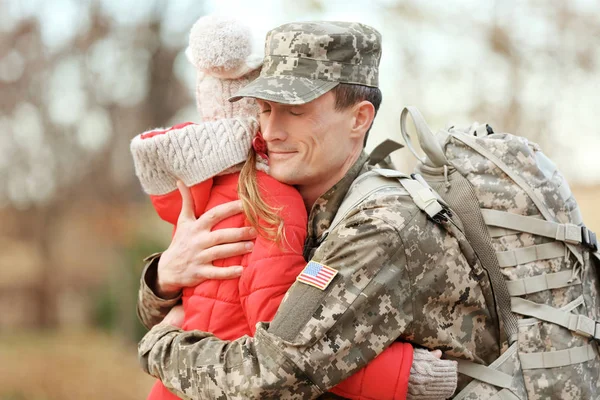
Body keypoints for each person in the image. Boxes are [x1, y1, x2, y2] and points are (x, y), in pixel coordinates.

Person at [137, 21, 497, 399]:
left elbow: (272, 377)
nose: (271, 131)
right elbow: (212, 308)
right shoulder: (286, 202)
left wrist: (160, 345)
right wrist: (164, 278)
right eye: (264, 108)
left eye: (295, 111)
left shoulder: (379, 226)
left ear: (359, 119)